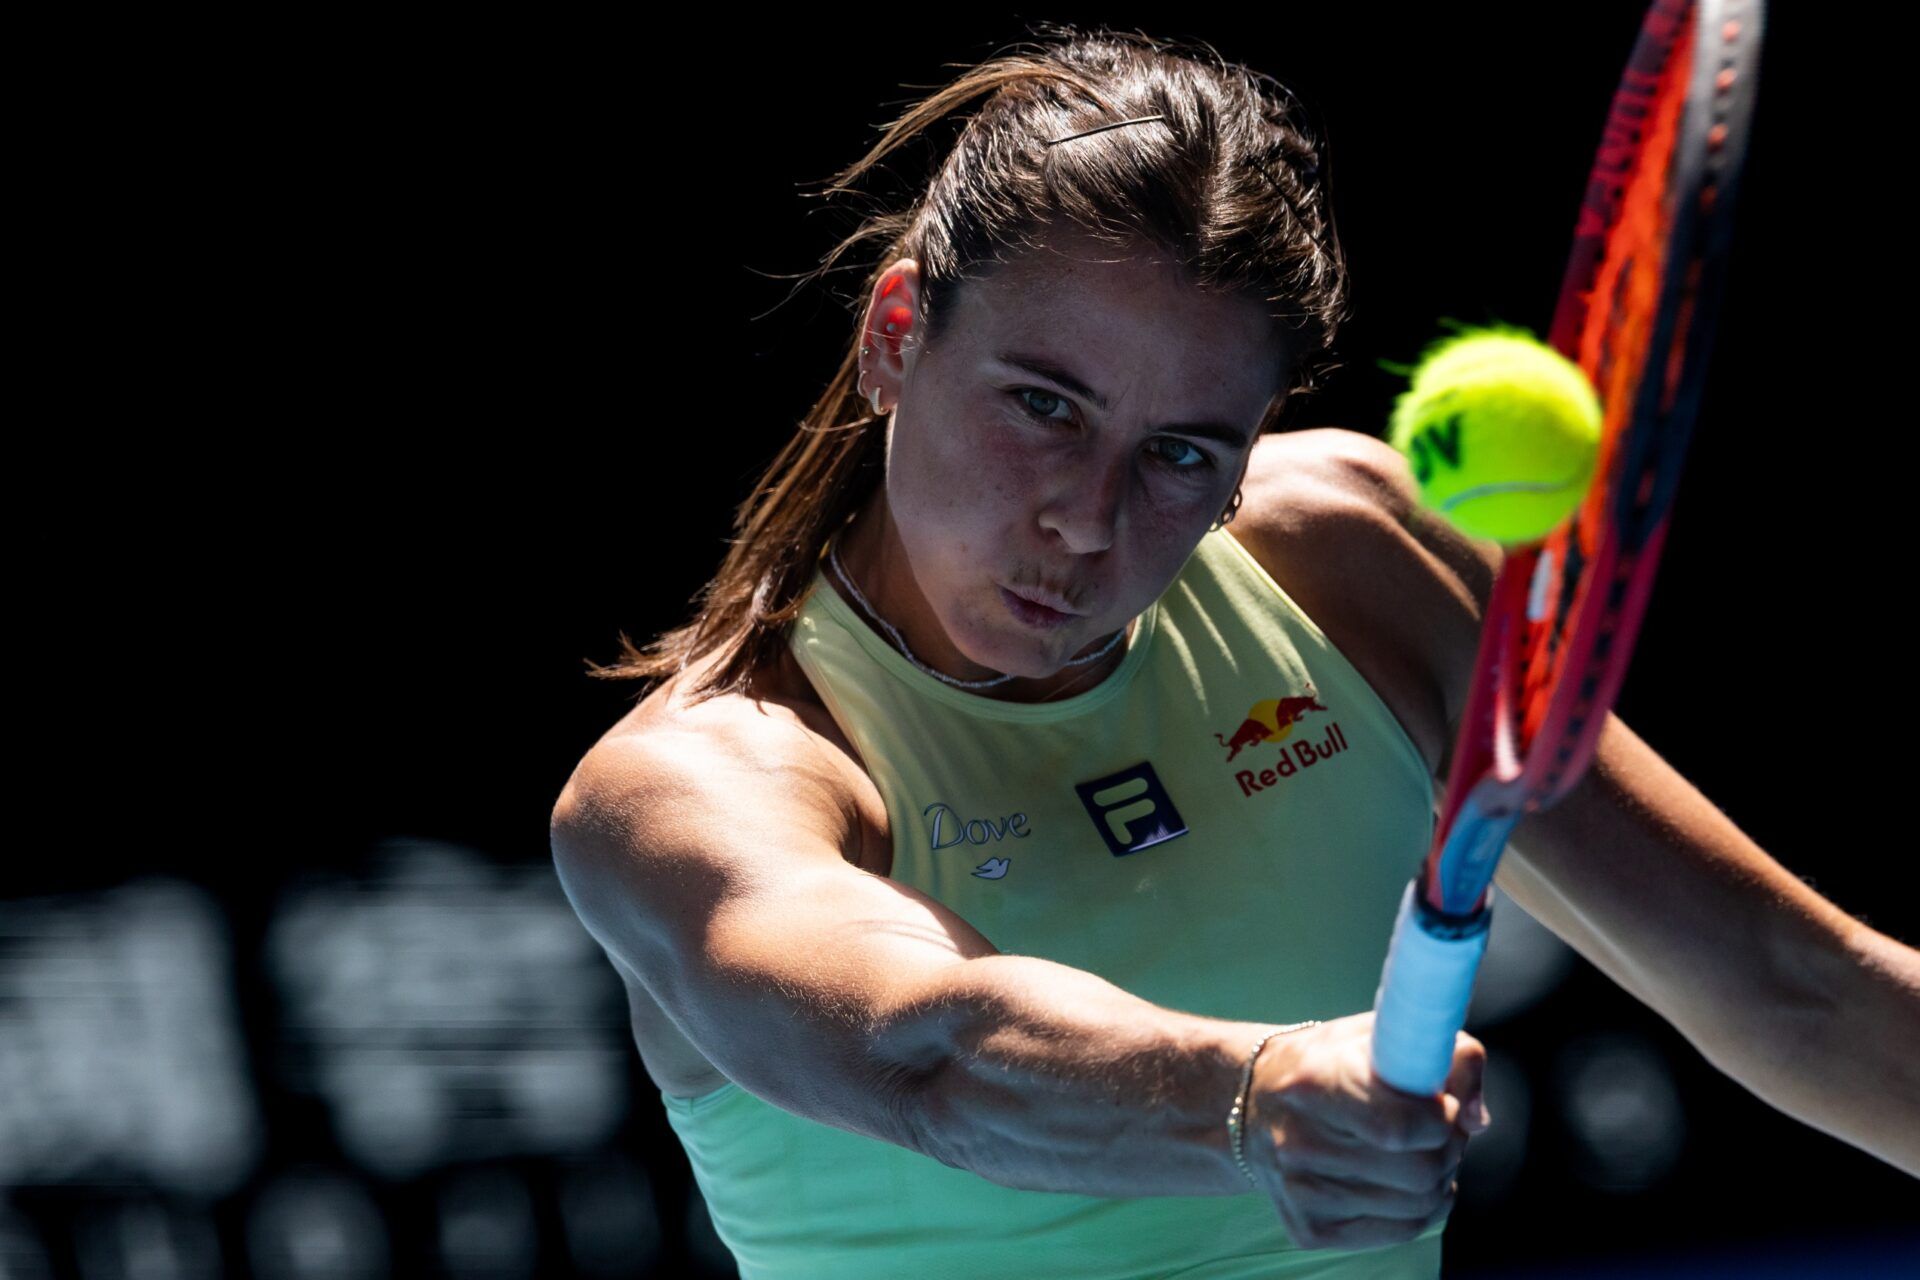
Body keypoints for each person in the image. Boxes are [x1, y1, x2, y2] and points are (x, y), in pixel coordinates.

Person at [548, 24, 1919, 1280]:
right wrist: (1250, 1099)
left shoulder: (1353, 564)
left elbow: (1796, 987)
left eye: (1180, 454)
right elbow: (934, 1051)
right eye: (1043, 404)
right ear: (898, 336)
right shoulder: (696, 786)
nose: (1086, 519)